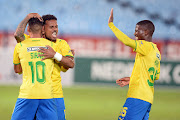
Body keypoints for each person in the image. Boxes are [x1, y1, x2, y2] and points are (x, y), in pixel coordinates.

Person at [14, 13, 74, 120]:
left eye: (56, 27)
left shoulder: (61, 44)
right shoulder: (31, 41)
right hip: (38, 95)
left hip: (55, 94)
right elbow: (18, 35)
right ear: (43, 29)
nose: (55, 29)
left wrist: (55, 55)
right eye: (51, 27)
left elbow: (70, 63)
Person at [108, 8, 161, 120]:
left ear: (146, 32)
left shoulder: (145, 46)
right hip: (147, 99)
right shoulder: (156, 51)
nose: (134, 33)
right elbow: (155, 76)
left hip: (137, 97)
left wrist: (111, 25)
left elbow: (127, 41)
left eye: (137, 30)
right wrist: (133, 79)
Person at [12, 17, 58, 120]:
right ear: (42, 29)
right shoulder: (52, 46)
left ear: (28, 29)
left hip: (27, 94)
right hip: (47, 95)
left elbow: (17, 70)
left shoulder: (20, 46)